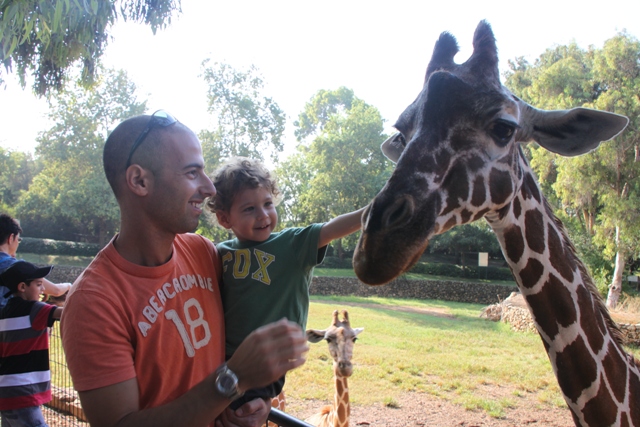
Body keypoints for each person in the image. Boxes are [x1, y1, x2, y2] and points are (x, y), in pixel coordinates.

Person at [60, 110, 308, 427]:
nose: (209, 188)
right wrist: (233, 379)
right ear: (139, 181)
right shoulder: (94, 301)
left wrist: (253, 400)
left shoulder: (203, 252)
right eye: (192, 173)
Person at [206, 156, 365, 409]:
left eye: (268, 203)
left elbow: (332, 229)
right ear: (225, 219)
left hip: (268, 360)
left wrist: (372, 211)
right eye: (249, 209)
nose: (263, 215)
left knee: (240, 410)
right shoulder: (219, 252)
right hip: (220, 358)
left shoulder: (292, 244)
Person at [0, 260, 62, 427]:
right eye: (39, 284)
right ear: (22, 287)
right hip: (23, 391)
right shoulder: (34, 310)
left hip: (7, 391)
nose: (43, 289)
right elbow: (66, 313)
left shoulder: (5, 311)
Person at [0, 214, 71, 309]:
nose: (18, 243)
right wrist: (69, 286)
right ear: (11, 238)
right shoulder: (15, 267)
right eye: (18, 239)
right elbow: (56, 290)